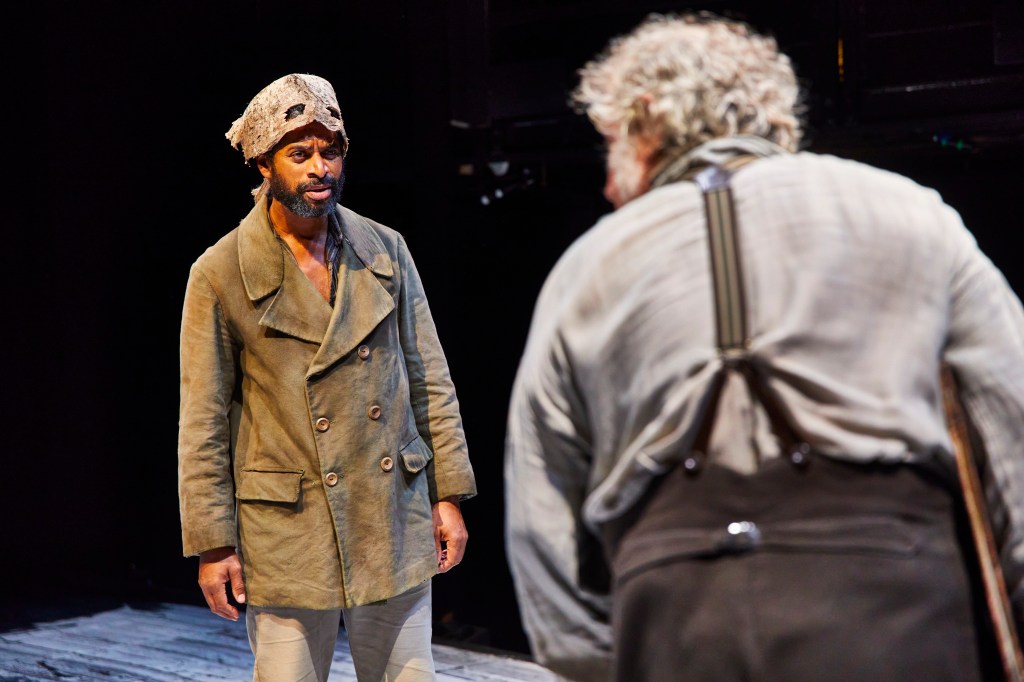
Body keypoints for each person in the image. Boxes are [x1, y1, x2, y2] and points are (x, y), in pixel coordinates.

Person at [505, 14, 1024, 682]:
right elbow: (1012, 431)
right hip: (893, 609)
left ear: (645, 120)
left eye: (611, 147)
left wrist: (601, 661)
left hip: (678, 622)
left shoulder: (589, 265)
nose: (609, 185)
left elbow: (541, 509)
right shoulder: (909, 212)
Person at [178, 73, 477, 682]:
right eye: (300, 153)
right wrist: (214, 542)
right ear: (264, 164)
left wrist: (447, 493)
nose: (320, 167)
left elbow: (430, 380)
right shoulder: (220, 272)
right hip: (288, 528)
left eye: (331, 150)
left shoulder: (385, 249)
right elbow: (203, 421)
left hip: (390, 511)